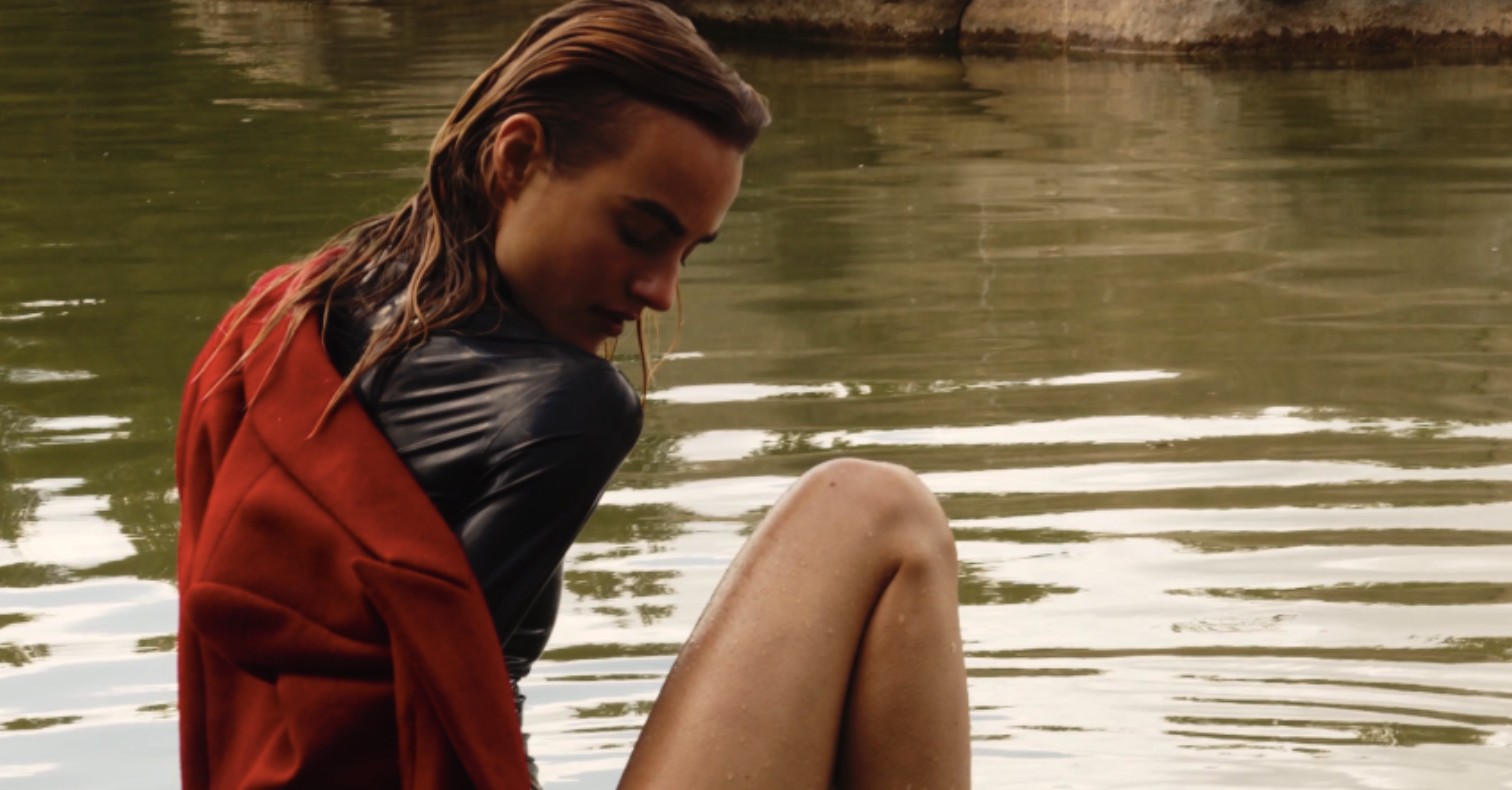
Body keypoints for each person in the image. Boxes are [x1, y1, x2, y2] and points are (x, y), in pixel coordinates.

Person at [174, 1, 971, 787]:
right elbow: (447, 723)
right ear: (517, 159)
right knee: (879, 511)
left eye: (687, 253)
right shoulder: (565, 408)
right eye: (640, 233)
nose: (660, 291)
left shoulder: (291, 314)